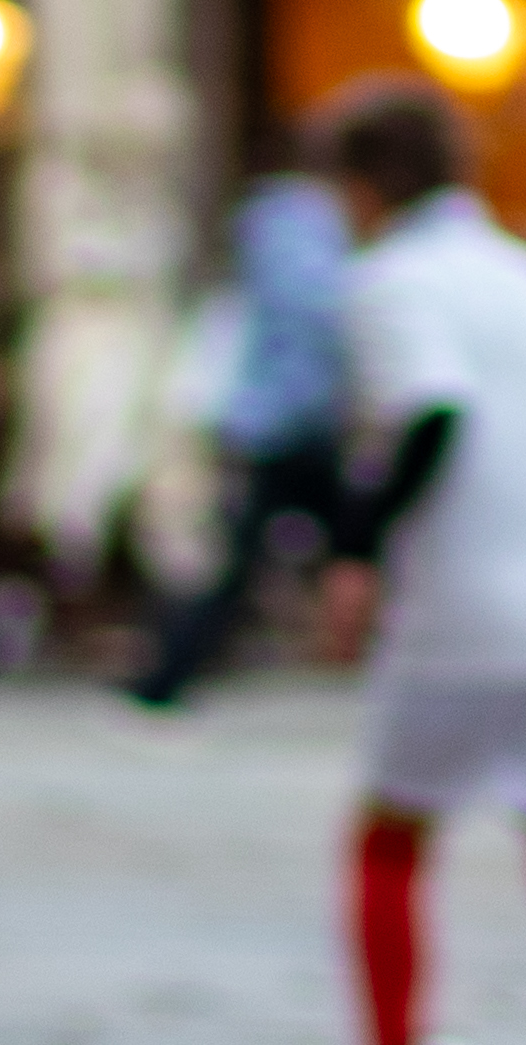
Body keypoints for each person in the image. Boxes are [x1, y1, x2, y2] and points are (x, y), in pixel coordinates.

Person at [314, 80, 526, 1045]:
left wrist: (352, 550)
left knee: (388, 836)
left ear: (367, 184)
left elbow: (430, 409)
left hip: (468, 612)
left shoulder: (389, 282)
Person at [127, 159, 358, 710]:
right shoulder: (307, 225)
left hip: (264, 421)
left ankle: (167, 676)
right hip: (296, 422)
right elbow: (317, 318)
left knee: (238, 559)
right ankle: (168, 676)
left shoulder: (266, 223)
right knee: (348, 544)